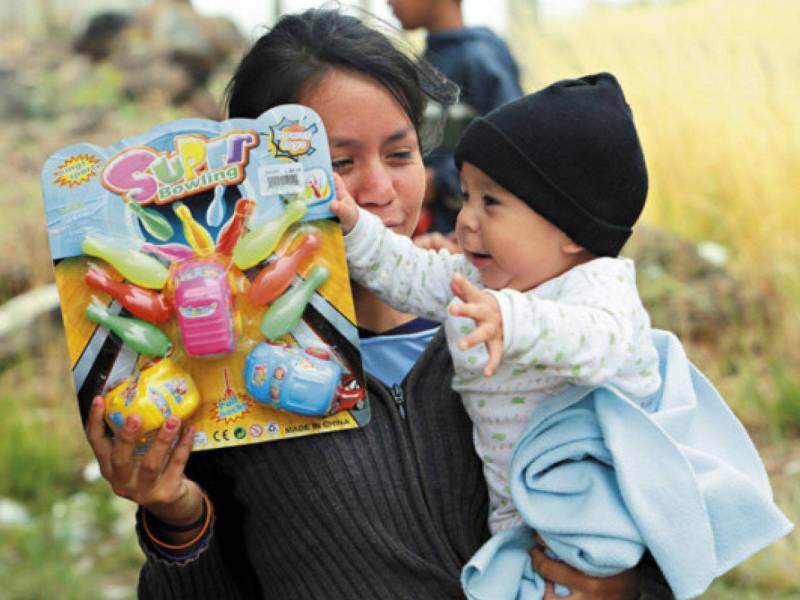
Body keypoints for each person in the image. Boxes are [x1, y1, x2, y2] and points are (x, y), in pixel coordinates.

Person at [84, 9, 671, 599]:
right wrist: (176, 516)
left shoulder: (519, 318)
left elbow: (664, 503)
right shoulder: (240, 376)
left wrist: (626, 587)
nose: (380, 192)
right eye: (337, 164)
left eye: (400, 154)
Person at [330, 73, 792, 598]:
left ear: (571, 229)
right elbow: (407, 272)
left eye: (492, 203)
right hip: (515, 498)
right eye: (465, 198)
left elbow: (599, 344)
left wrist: (513, 319)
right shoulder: (479, 280)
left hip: (590, 486)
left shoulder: (597, 287)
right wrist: (354, 231)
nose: (467, 222)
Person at [387, 0, 523, 241]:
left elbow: (513, 143)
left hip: (477, 243)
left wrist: (439, 182)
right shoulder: (422, 65)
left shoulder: (481, 59)